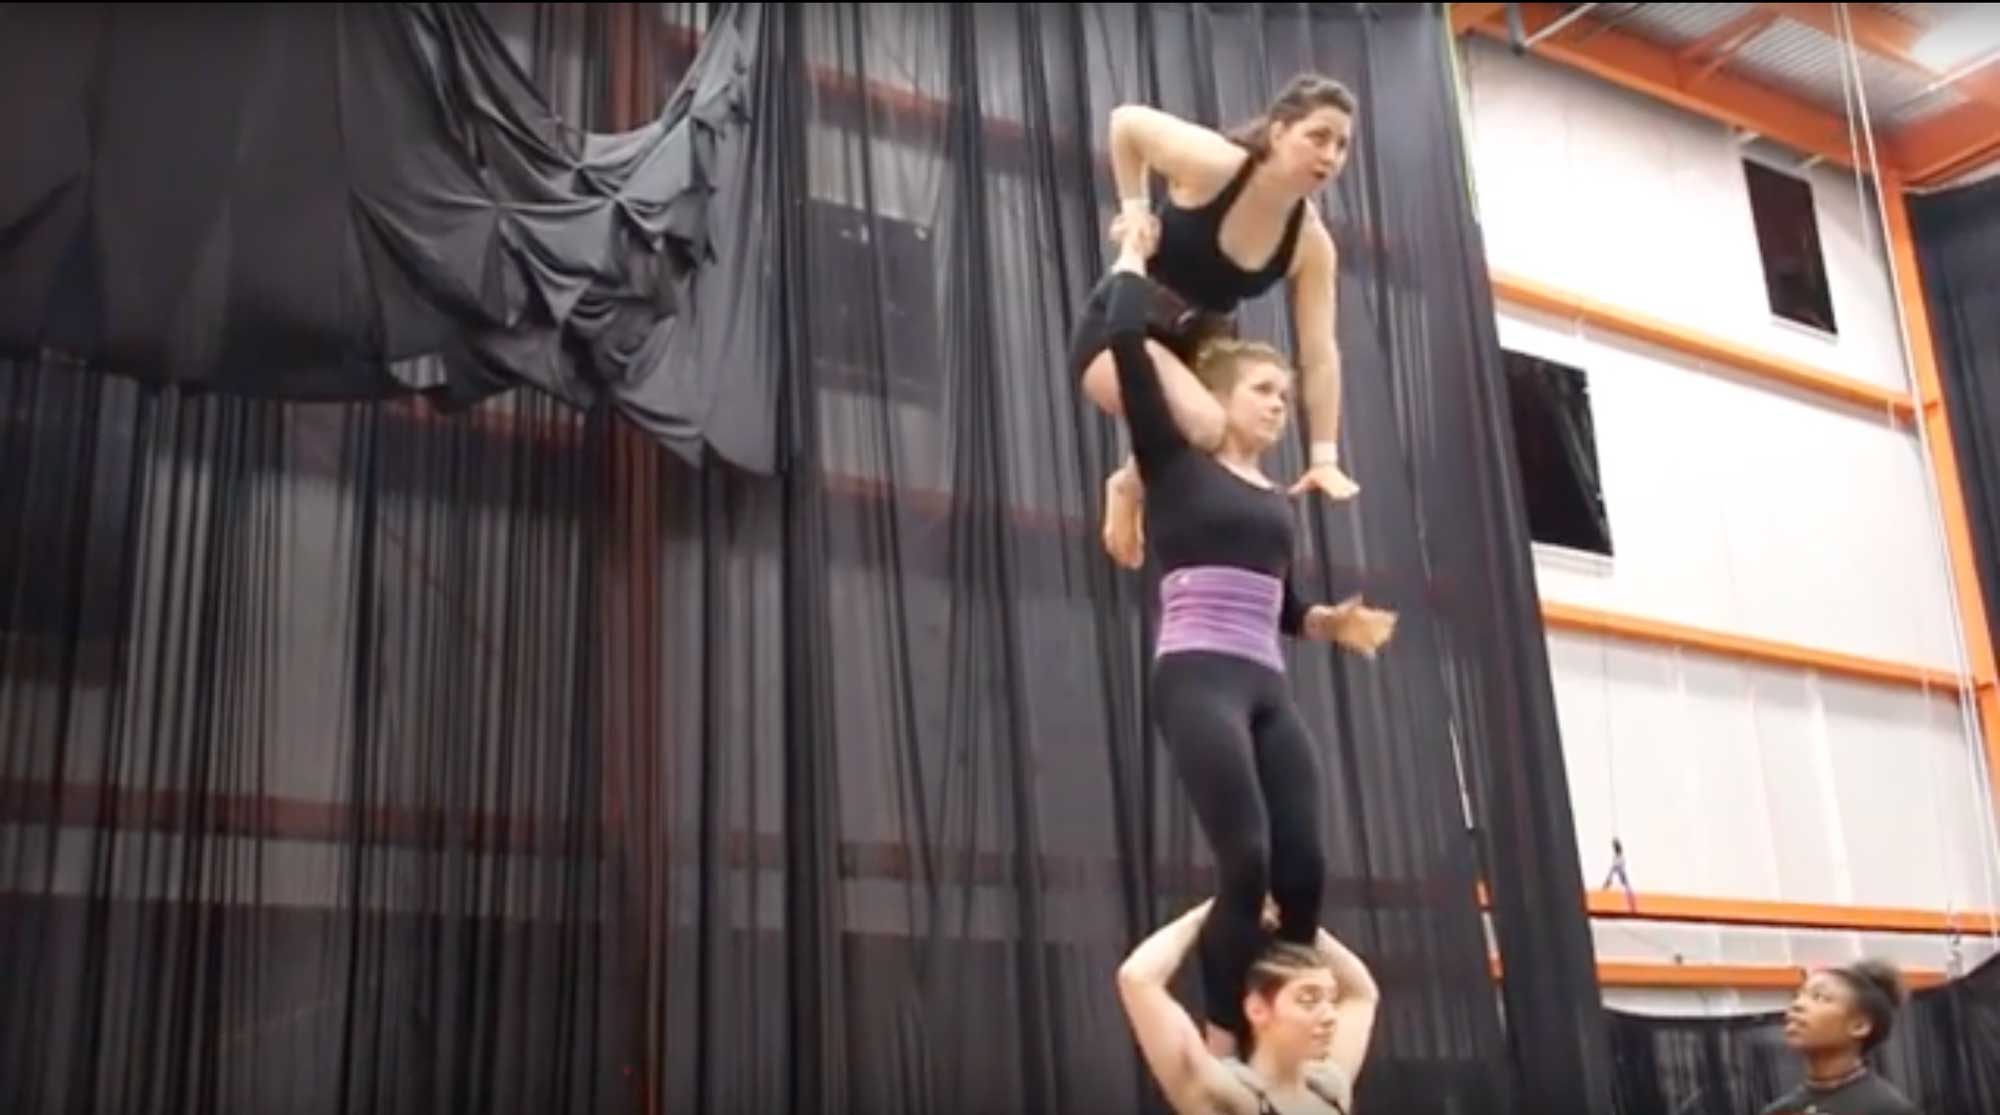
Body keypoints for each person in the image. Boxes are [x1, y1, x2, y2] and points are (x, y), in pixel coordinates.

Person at [1098, 242, 1395, 1050]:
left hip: (1266, 684)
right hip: (1198, 679)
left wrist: (1326, 621)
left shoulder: (1274, 497)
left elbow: (1278, 601)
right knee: (1247, 858)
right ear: (1218, 400)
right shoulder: (1173, 463)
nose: (1279, 406)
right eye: (1264, 390)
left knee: (1303, 870)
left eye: (1286, 396)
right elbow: (1127, 351)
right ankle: (1226, 1034)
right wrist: (1128, 259)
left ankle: (1285, 1034)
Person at [1069, 73, 1362, 570]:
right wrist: (1136, 210)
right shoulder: (1216, 165)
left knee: (1238, 435)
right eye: (1318, 137)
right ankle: (1127, 487)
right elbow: (1126, 124)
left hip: (1197, 348)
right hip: (1121, 330)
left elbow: (1319, 353)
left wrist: (1324, 456)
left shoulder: (1311, 245)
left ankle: (1134, 482)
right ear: (1277, 132)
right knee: (1207, 425)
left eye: (1341, 145)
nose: (1330, 156)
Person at [1118, 899, 1380, 1115]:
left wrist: (1294, 920)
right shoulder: (1227, 1098)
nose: (1330, 1016)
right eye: (1308, 1000)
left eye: (1331, 1000)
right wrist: (1216, 909)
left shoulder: (1329, 1089)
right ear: (1258, 1010)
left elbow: (1362, 993)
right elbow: (1137, 978)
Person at [1760, 961, 1921, 1115]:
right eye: (1797, 996)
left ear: (1859, 1026)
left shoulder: (1889, 1109)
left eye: (1819, 997)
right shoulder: (1779, 1111)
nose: (1797, 1005)